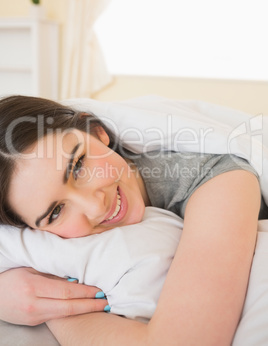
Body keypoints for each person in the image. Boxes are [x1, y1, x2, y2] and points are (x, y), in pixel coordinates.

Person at [0, 95, 262, 345]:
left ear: (98, 132)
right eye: (56, 211)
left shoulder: (219, 178)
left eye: (78, 165)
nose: (94, 207)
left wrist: (53, 310)